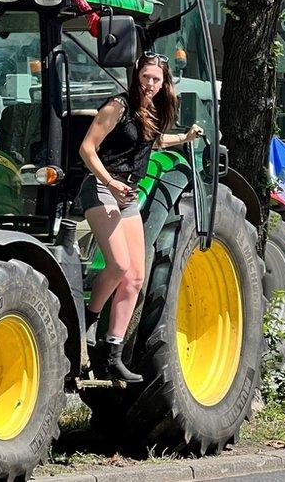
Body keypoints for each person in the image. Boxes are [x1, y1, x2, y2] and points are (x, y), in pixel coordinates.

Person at [77, 51, 202, 382]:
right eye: (146, 77)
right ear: (136, 76)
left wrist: (186, 138)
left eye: (156, 79)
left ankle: (111, 352)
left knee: (134, 277)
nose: (150, 83)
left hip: (128, 194)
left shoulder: (152, 111)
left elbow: (155, 142)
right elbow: (87, 148)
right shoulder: (117, 106)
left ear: (164, 83)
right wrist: (111, 182)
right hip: (102, 188)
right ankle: (89, 321)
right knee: (117, 265)